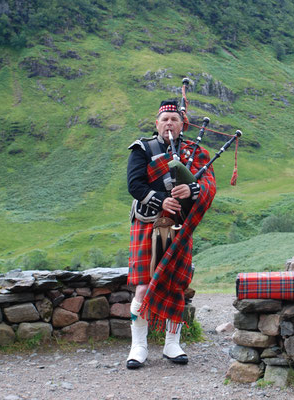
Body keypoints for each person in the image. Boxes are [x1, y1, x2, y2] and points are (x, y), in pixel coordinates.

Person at [125, 100, 216, 369]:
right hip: (148, 221)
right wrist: (162, 200)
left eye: (175, 119)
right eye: (165, 119)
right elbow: (134, 184)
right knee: (142, 286)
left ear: (182, 124)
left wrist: (191, 190)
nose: (169, 123)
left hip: (179, 225)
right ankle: (138, 346)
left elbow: (208, 185)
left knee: (177, 286)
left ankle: (172, 344)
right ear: (157, 123)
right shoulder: (143, 148)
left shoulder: (195, 152)